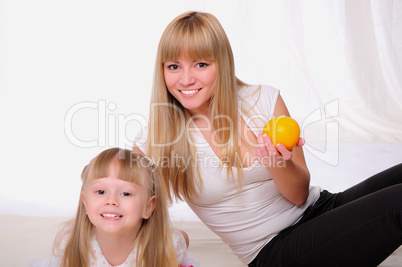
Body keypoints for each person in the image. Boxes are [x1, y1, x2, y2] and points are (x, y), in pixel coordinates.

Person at [133, 11, 402, 267]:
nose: (187, 78)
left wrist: (277, 163)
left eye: (201, 64)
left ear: (222, 63)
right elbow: (130, 214)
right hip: (274, 251)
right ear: (162, 70)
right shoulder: (155, 140)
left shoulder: (262, 99)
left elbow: (298, 196)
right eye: (174, 66)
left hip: (322, 206)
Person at [50, 148, 197, 267]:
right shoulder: (68, 240)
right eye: (101, 192)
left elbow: (182, 238)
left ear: (148, 206)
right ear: (85, 202)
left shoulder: (167, 246)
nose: (111, 200)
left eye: (126, 193)